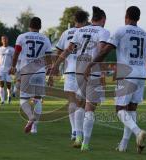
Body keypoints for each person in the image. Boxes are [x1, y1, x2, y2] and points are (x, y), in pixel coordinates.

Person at [84, 6, 146, 154]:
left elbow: (105, 50)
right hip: (141, 74)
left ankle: (138, 132)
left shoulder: (121, 30)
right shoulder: (145, 34)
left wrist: (91, 65)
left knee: (120, 109)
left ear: (126, 16)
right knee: (132, 109)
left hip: (127, 74)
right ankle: (123, 145)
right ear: (138, 18)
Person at [49, 6, 110, 151]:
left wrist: (55, 67)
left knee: (79, 104)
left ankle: (77, 136)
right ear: (103, 20)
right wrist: (100, 70)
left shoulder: (80, 31)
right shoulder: (103, 31)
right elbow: (101, 51)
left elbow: (67, 50)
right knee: (90, 108)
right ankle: (85, 143)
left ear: (91, 19)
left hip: (77, 72)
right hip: (91, 71)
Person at [10, 17, 52, 134]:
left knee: (23, 100)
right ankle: (34, 128)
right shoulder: (45, 39)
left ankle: (30, 117)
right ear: (40, 26)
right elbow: (49, 58)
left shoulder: (22, 37)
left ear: (29, 25)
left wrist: (13, 66)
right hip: (40, 72)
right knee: (38, 99)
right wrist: (50, 71)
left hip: (27, 71)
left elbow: (16, 53)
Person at [55, 10, 89, 141]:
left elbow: (59, 50)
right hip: (84, 70)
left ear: (74, 20)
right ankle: (79, 131)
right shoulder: (89, 31)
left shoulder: (66, 33)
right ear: (86, 20)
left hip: (69, 70)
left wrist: (56, 66)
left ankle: (74, 130)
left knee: (71, 102)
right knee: (82, 103)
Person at [0, 35, 14, 105]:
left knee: (9, 85)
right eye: (3, 39)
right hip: (0, 70)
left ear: (7, 40)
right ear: (1, 41)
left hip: (8, 70)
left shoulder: (12, 49)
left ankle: (9, 95)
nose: (4, 40)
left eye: (5, 39)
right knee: (1, 84)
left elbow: (14, 60)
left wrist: (13, 68)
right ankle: (2, 100)